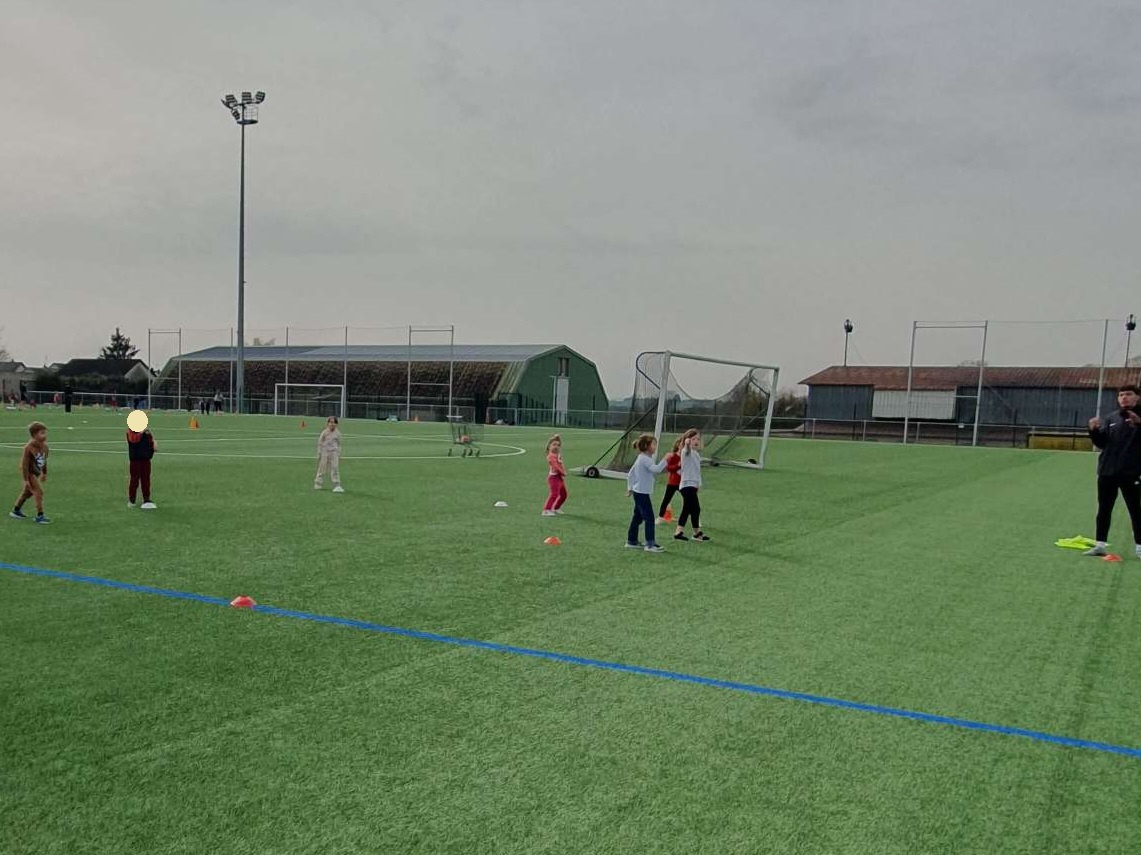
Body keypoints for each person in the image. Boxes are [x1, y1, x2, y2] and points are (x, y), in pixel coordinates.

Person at [1084, 384, 1141, 559]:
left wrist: (1139, 424)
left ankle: (1140, 547)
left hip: (1131, 472)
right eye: (1121, 395)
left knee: (1135, 510)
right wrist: (1093, 431)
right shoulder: (1111, 417)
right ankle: (1100, 545)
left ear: (1137, 397)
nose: (1124, 397)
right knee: (1104, 509)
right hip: (1107, 471)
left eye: (1129, 394)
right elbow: (1102, 443)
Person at [626, 433, 669, 552]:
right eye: (653, 444)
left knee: (637, 518)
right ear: (646, 446)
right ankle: (650, 544)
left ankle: (631, 541)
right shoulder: (644, 458)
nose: (655, 447)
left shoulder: (642, 458)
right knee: (649, 518)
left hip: (639, 492)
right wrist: (666, 459)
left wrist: (630, 487)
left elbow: (630, 474)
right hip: (641, 493)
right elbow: (656, 469)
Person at [674, 429, 711, 542]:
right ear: (687, 440)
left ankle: (679, 532)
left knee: (687, 509)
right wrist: (686, 444)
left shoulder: (696, 454)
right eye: (693, 439)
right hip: (686, 485)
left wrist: (698, 485)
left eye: (698, 439)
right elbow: (687, 450)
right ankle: (696, 533)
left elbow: (696, 472)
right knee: (696, 508)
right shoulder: (686, 452)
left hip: (692, 486)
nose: (696, 441)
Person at [10, 421, 50, 524]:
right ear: (34, 435)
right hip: (29, 473)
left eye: (45, 433)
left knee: (27, 493)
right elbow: (24, 465)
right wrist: (26, 480)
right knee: (38, 492)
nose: (45, 435)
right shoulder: (28, 448)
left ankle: (16, 510)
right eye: (42, 433)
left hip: (36, 473)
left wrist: (44, 473)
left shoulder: (45, 447)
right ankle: (40, 515)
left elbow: (44, 460)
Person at [127, 424, 158, 509]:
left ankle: (146, 499)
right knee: (134, 479)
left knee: (146, 479)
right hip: (135, 459)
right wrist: (141, 432)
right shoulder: (131, 431)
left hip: (146, 458)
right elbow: (133, 440)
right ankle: (132, 500)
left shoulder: (147, 432)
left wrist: (153, 445)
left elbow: (150, 441)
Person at [656, 436, 683, 523]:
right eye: (682, 444)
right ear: (678, 445)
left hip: (683, 483)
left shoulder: (687, 457)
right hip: (672, 483)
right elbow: (669, 468)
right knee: (666, 500)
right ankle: (660, 517)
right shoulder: (673, 456)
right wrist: (678, 465)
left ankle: (695, 518)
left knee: (690, 500)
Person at [314, 416, 344, 492]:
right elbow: (320, 443)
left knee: (335, 468)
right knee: (322, 468)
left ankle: (336, 485)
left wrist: (339, 454)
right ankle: (318, 483)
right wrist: (319, 453)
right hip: (325, 452)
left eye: (334, 423)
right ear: (328, 423)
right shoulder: (324, 432)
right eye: (330, 422)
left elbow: (339, 444)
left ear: (336, 424)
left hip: (334, 453)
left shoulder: (338, 433)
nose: (332, 424)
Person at [542, 434, 568, 516]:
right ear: (549, 446)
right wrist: (562, 472)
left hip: (559, 478)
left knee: (564, 495)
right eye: (554, 445)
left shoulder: (557, 454)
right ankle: (546, 510)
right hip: (554, 478)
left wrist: (557, 438)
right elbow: (555, 466)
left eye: (558, 445)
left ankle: (556, 508)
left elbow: (560, 463)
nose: (556, 447)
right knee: (554, 494)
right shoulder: (551, 456)